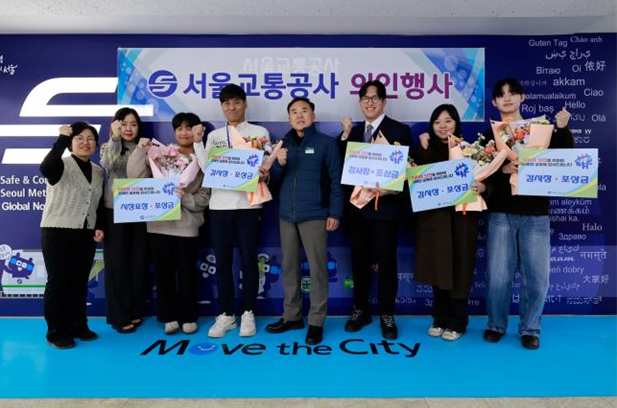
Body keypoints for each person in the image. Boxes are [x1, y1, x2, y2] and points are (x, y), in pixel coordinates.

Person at [482, 78, 572, 350]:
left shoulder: (541, 129)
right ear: (494, 102)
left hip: (536, 213)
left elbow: (563, 160)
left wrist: (563, 128)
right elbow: (480, 178)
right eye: (501, 95)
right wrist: (502, 170)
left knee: (536, 277)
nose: (507, 98)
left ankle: (530, 329)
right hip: (501, 213)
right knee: (498, 276)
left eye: (512, 93)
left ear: (523, 97)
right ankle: (495, 325)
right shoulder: (488, 137)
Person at [193, 84, 270, 338]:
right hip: (219, 206)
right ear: (222, 107)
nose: (232, 107)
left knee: (249, 259)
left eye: (236, 102)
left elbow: (265, 168)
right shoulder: (214, 136)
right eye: (226, 103)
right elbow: (207, 168)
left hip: (249, 205)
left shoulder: (259, 133)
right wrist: (197, 143)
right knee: (223, 261)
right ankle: (226, 314)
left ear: (245, 103)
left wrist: (264, 174)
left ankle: (248, 312)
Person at [265, 97, 343, 345]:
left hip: (315, 214)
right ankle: (292, 316)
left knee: (318, 269)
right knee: (289, 267)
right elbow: (271, 182)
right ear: (289, 118)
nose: (299, 115)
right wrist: (279, 164)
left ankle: (316, 322)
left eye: (304, 111)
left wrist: (335, 213)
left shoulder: (326, 143)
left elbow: (336, 181)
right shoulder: (282, 144)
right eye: (294, 112)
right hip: (287, 215)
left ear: (313, 116)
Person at [338, 80, 412, 340]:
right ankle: (360, 310)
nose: (369, 102)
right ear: (360, 102)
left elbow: (405, 170)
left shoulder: (399, 130)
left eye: (374, 98)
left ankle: (387, 314)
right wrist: (344, 136)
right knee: (359, 262)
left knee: (387, 263)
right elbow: (341, 167)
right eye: (365, 98)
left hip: (385, 209)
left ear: (383, 101)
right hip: (357, 210)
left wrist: (391, 188)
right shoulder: (354, 132)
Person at [127, 112, 210, 335]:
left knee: (187, 274)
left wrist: (183, 197)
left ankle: (189, 316)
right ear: (174, 132)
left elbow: (205, 197)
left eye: (189, 128)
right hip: (159, 224)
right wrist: (140, 150)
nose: (184, 133)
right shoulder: (161, 154)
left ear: (198, 131)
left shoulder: (203, 159)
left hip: (187, 226)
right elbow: (134, 175)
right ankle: (168, 316)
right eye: (179, 128)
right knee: (163, 274)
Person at [413, 104, 487, 341]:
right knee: (438, 267)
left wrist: (483, 187)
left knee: (460, 268)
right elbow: (417, 182)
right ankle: (439, 318)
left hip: (463, 219)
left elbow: (488, 178)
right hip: (435, 220)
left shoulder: (471, 149)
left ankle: (458, 322)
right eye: (437, 122)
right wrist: (423, 149)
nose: (442, 126)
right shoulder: (425, 149)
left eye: (448, 121)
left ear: (456, 123)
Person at [40, 122, 105, 349]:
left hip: (85, 234)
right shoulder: (61, 164)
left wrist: (99, 226)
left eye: (90, 138)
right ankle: (56, 331)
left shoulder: (98, 171)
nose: (85, 142)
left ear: (96, 144)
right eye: (79, 138)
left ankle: (78, 325)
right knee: (58, 283)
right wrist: (62, 139)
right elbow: (46, 168)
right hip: (57, 231)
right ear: (71, 143)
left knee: (79, 283)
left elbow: (97, 203)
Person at [100, 108, 149, 334]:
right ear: (115, 125)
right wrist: (115, 138)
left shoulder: (147, 148)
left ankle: (134, 309)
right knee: (117, 264)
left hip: (141, 210)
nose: (129, 128)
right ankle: (118, 316)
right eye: (123, 124)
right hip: (114, 210)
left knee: (138, 262)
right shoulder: (108, 146)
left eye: (133, 124)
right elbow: (108, 165)